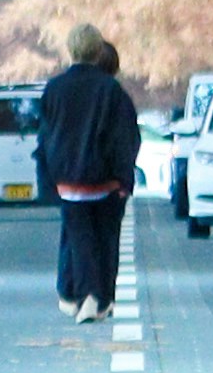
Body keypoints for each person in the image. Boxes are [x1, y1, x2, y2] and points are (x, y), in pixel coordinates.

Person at [34, 29, 143, 322]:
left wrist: (46, 178)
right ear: (98, 52)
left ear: (71, 51)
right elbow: (126, 138)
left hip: (68, 179)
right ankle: (98, 296)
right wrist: (124, 178)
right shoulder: (111, 91)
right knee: (106, 239)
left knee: (79, 237)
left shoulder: (55, 89)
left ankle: (85, 296)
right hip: (105, 179)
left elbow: (44, 138)